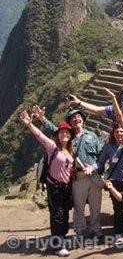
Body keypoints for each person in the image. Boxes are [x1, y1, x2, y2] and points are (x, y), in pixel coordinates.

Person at [34, 105, 103, 238]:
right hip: (77, 176)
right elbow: (55, 129)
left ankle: (96, 228)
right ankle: (80, 230)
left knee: (95, 205)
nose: (76, 119)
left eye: (78, 116)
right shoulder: (69, 137)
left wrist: (94, 168)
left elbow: (100, 156)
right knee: (78, 205)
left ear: (83, 119)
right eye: (73, 118)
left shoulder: (92, 136)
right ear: (70, 122)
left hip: (93, 175)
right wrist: (42, 119)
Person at [20, 110, 74, 257]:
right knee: (57, 215)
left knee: (64, 215)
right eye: (62, 133)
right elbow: (40, 136)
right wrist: (30, 124)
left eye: (67, 133)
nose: (65, 135)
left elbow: (70, 169)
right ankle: (57, 246)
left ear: (70, 136)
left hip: (66, 188)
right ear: (57, 135)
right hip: (54, 187)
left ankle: (60, 238)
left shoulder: (70, 151)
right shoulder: (52, 147)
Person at [67, 86, 123, 157]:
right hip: (122, 148)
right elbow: (96, 109)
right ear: (122, 97)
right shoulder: (114, 109)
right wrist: (79, 102)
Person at [97, 123, 123, 244]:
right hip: (115, 182)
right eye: (117, 132)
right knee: (118, 208)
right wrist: (96, 173)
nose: (119, 134)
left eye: (121, 132)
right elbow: (101, 162)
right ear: (113, 134)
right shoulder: (108, 147)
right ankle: (118, 232)